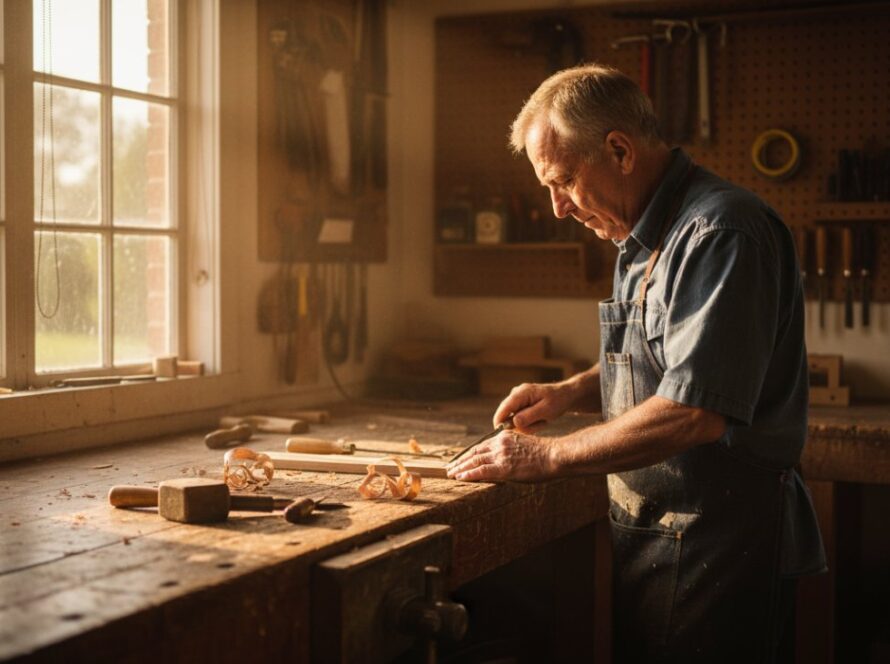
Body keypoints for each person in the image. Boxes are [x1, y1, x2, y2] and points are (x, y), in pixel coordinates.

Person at [446, 63, 826, 663]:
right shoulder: (641, 232)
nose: (557, 209)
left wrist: (547, 455)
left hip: (719, 542)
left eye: (564, 180)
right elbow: (672, 360)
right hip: (659, 531)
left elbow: (695, 410)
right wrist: (571, 391)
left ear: (619, 150)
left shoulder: (719, 232)